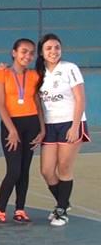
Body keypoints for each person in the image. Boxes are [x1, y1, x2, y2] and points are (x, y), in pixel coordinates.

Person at [36, 33, 89, 226]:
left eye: (57, 47)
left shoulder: (69, 68)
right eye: (49, 48)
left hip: (70, 123)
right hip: (50, 125)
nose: (53, 51)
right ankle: (64, 202)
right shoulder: (39, 73)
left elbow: (80, 99)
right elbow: (38, 105)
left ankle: (61, 211)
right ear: (41, 52)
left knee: (64, 168)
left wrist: (75, 126)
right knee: (47, 170)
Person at [0, 39, 44, 225]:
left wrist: (42, 129)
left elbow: (38, 104)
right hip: (11, 124)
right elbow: (0, 104)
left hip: (32, 124)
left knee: (24, 170)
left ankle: (20, 210)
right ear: (14, 52)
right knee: (14, 170)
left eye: (31, 53)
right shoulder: (2, 73)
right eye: (23, 51)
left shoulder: (34, 75)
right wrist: (12, 130)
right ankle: (0, 210)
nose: (27, 56)